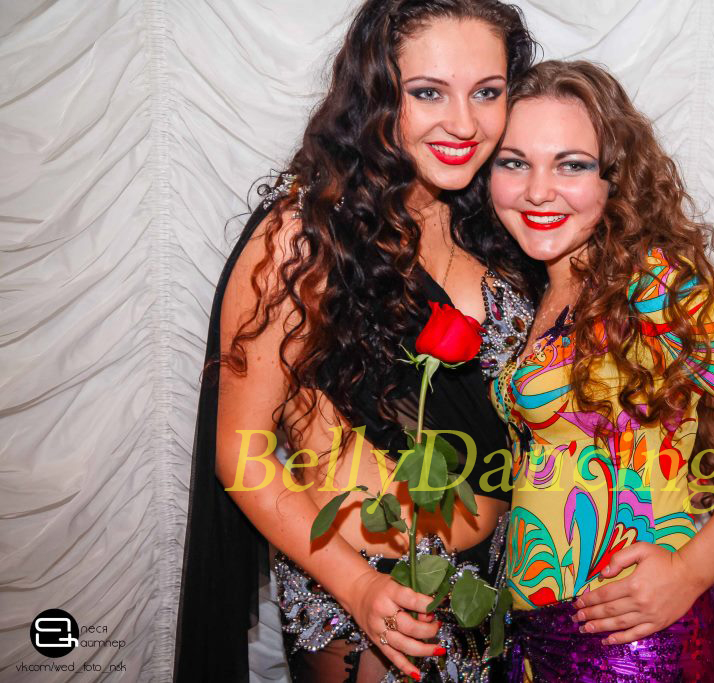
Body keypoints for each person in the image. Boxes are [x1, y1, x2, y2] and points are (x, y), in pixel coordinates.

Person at [173, 2, 539, 682]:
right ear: (376, 92)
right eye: (428, 92)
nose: (464, 123)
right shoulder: (307, 237)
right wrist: (358, 585)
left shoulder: (494, 218)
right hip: (362, 593)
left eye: (487, 92)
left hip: (494, 587)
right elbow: (239, 449)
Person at [486, 60, 714, 682]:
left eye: (572, 165)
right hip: (536, 634)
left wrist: (689, 572)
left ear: (614, 179)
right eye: (514, 162)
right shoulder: (537, 292)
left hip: (633, 645)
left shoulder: (650, 282)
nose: (537, 190)